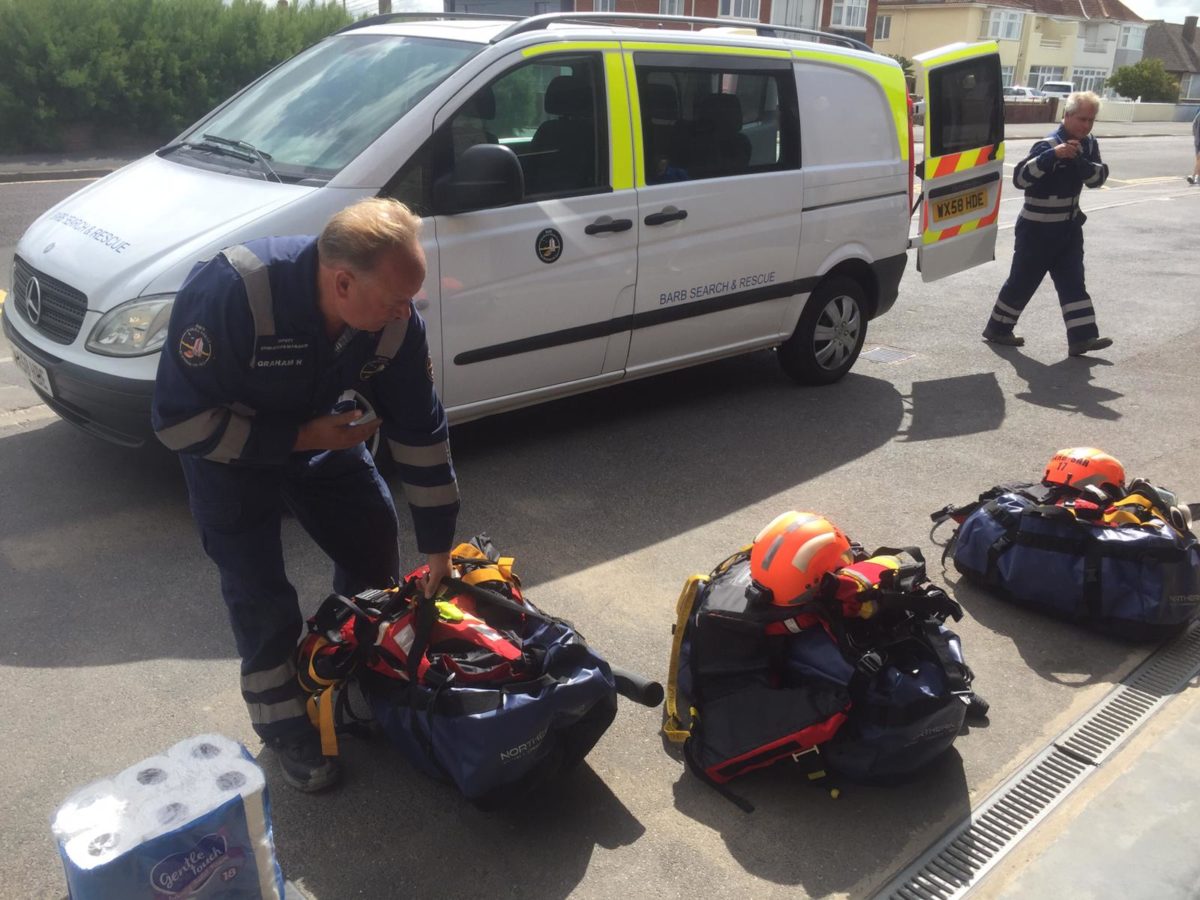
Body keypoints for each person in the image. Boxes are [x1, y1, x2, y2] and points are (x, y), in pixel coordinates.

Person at [152, 198, 459, 792]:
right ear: (342, 282)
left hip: (323, 432)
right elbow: (177, 423)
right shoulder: (233, 292)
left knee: (372, 539)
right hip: (231, 452)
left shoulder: (392, 321)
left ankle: (345, 672)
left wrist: (440, 549)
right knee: (259, 589)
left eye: (411, 298)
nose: (408, 311)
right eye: (397, 298)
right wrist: (296, 436)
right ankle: (286, 726)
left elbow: (421, 432)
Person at [982, 91, 1113, 357]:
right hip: (1037, 230)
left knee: (1073, 282)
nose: (1086, 126)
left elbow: (1098, 178)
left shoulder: (1087, 145)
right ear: (1067, 115)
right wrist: (1053, 156)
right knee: (1022, 282)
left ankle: (1082, 338)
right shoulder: (1047, 145)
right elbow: (1020, 179)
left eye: (1091, 120)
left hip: (1068, 230)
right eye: (1082, 119)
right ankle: (998, 328)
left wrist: (1079, 162)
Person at [1188, 105, 1200, 185]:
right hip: (1198, 141)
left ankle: (1193, 176)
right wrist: (1195, 136)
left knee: (1199, 158)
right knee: (1198, 159)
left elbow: (1194, 125)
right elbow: (1194, 124)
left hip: (1197, 140)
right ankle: (1197, 177)